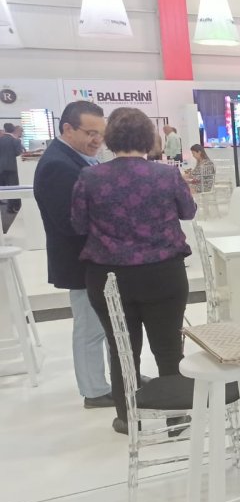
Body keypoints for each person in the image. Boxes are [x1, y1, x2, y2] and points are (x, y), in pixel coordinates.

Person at [70, 107, 197, 434]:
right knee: (169, 346)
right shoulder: (166, 175)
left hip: (109, 277)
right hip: (164, 274)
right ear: (147, 138)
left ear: (110, 138)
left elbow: (78, 224)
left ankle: (127, 417)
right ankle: (176, 416)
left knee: (121, 348)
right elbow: (188, 211)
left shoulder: (89, 177)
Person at [34, 101, 114, 409]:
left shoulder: (77, 159)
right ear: (67, 128)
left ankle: (119, 380)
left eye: (101, 134)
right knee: (90, 328)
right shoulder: (58, 165)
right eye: (90, 133)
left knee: (106, 326)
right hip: (81, 261)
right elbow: (69, 223)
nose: (97, 140)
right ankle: (94, 391)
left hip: (94, 260)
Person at [0, 123, 24, 213]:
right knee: (13, 188)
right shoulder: (16, 140)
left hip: (1, 167)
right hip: (12, 167)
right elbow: (19, 154)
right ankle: (11, 208)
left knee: (3, 188)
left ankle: (10, 207)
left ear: (5, 129)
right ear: (13, 129)